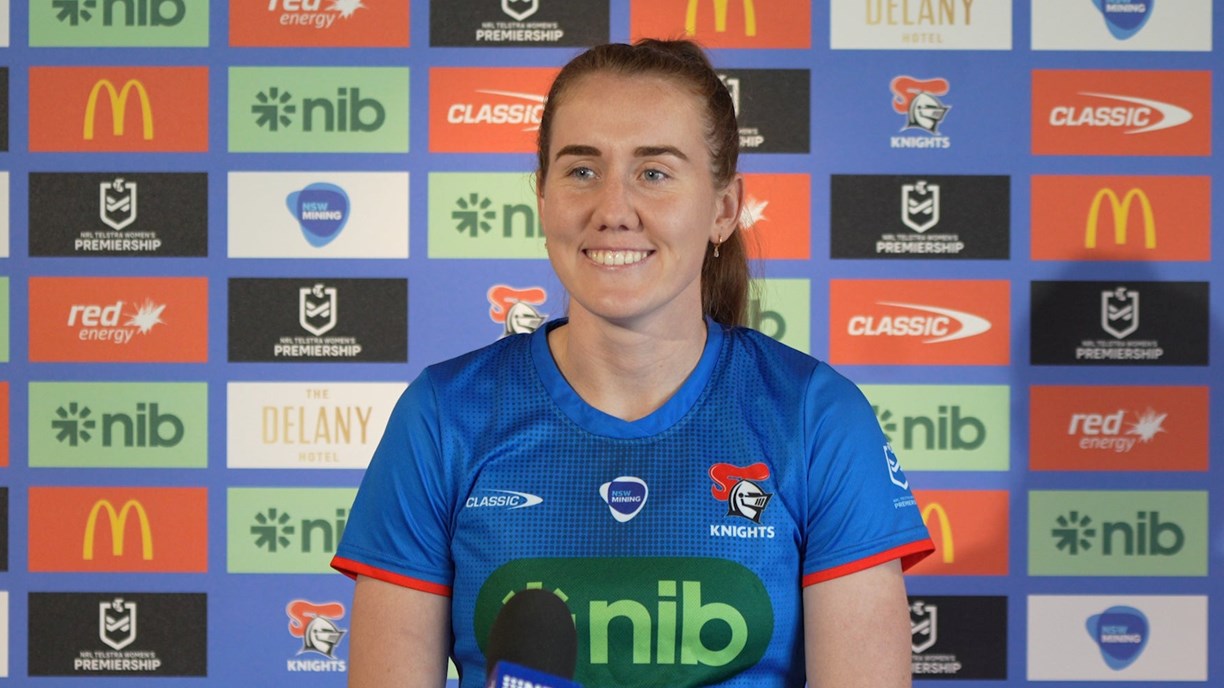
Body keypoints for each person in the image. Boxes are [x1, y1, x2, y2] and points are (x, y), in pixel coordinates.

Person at [332, 39, 934, 687]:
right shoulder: (444, 415)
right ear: (541, 196)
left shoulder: (817, 417)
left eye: (654, 172)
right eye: (582, 170)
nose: (613, 210)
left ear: (724, 208)